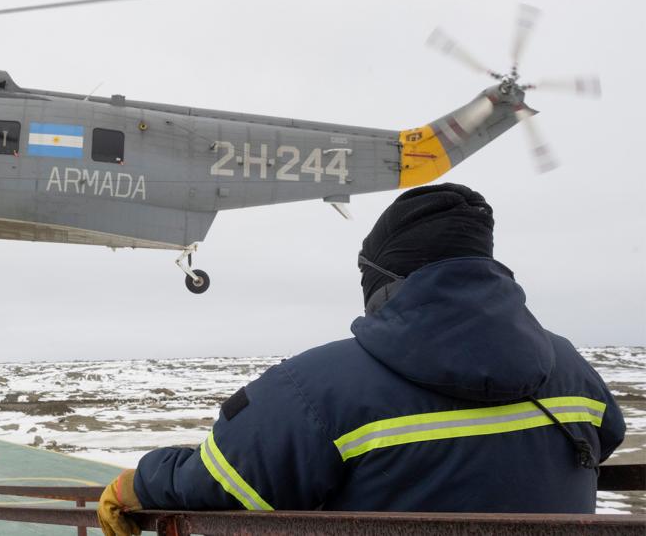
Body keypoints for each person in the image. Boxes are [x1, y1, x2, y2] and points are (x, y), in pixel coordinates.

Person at [98, 183, 624, 535]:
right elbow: (608, 438)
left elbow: (222, 484)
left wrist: (137, 483)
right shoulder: (570, 367)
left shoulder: (314, 388)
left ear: (382, 283)